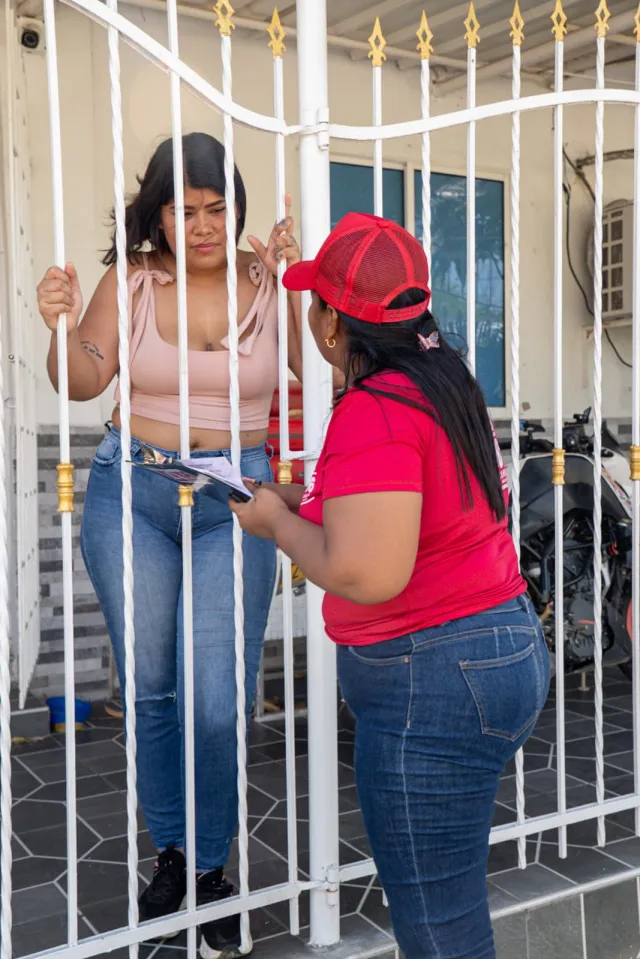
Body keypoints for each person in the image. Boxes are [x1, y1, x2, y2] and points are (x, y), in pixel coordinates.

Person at [230, 212, 551, 959]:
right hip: (495, 646)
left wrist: (276, 527)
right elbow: (405, 508)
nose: (308, 315)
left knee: (439, 927)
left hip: (432, 681)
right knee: (454, 897)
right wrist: (292, 499)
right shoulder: (442, 378)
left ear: (335, 323)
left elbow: (365, 569)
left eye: (313, 303)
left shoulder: (376, 407)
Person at [36, 132, 302, 959]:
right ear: (157, 213)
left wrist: (297, 282)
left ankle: (215, 868)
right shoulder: (134, 281)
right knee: (152, 688)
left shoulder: (264, 281)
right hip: (134, 492)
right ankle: (174, 853)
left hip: (236, 500)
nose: (202, 225)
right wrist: (60, 323)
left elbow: (307, 366)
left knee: (215, 694)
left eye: (217, 208)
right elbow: (82, 378)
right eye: (184, 210)